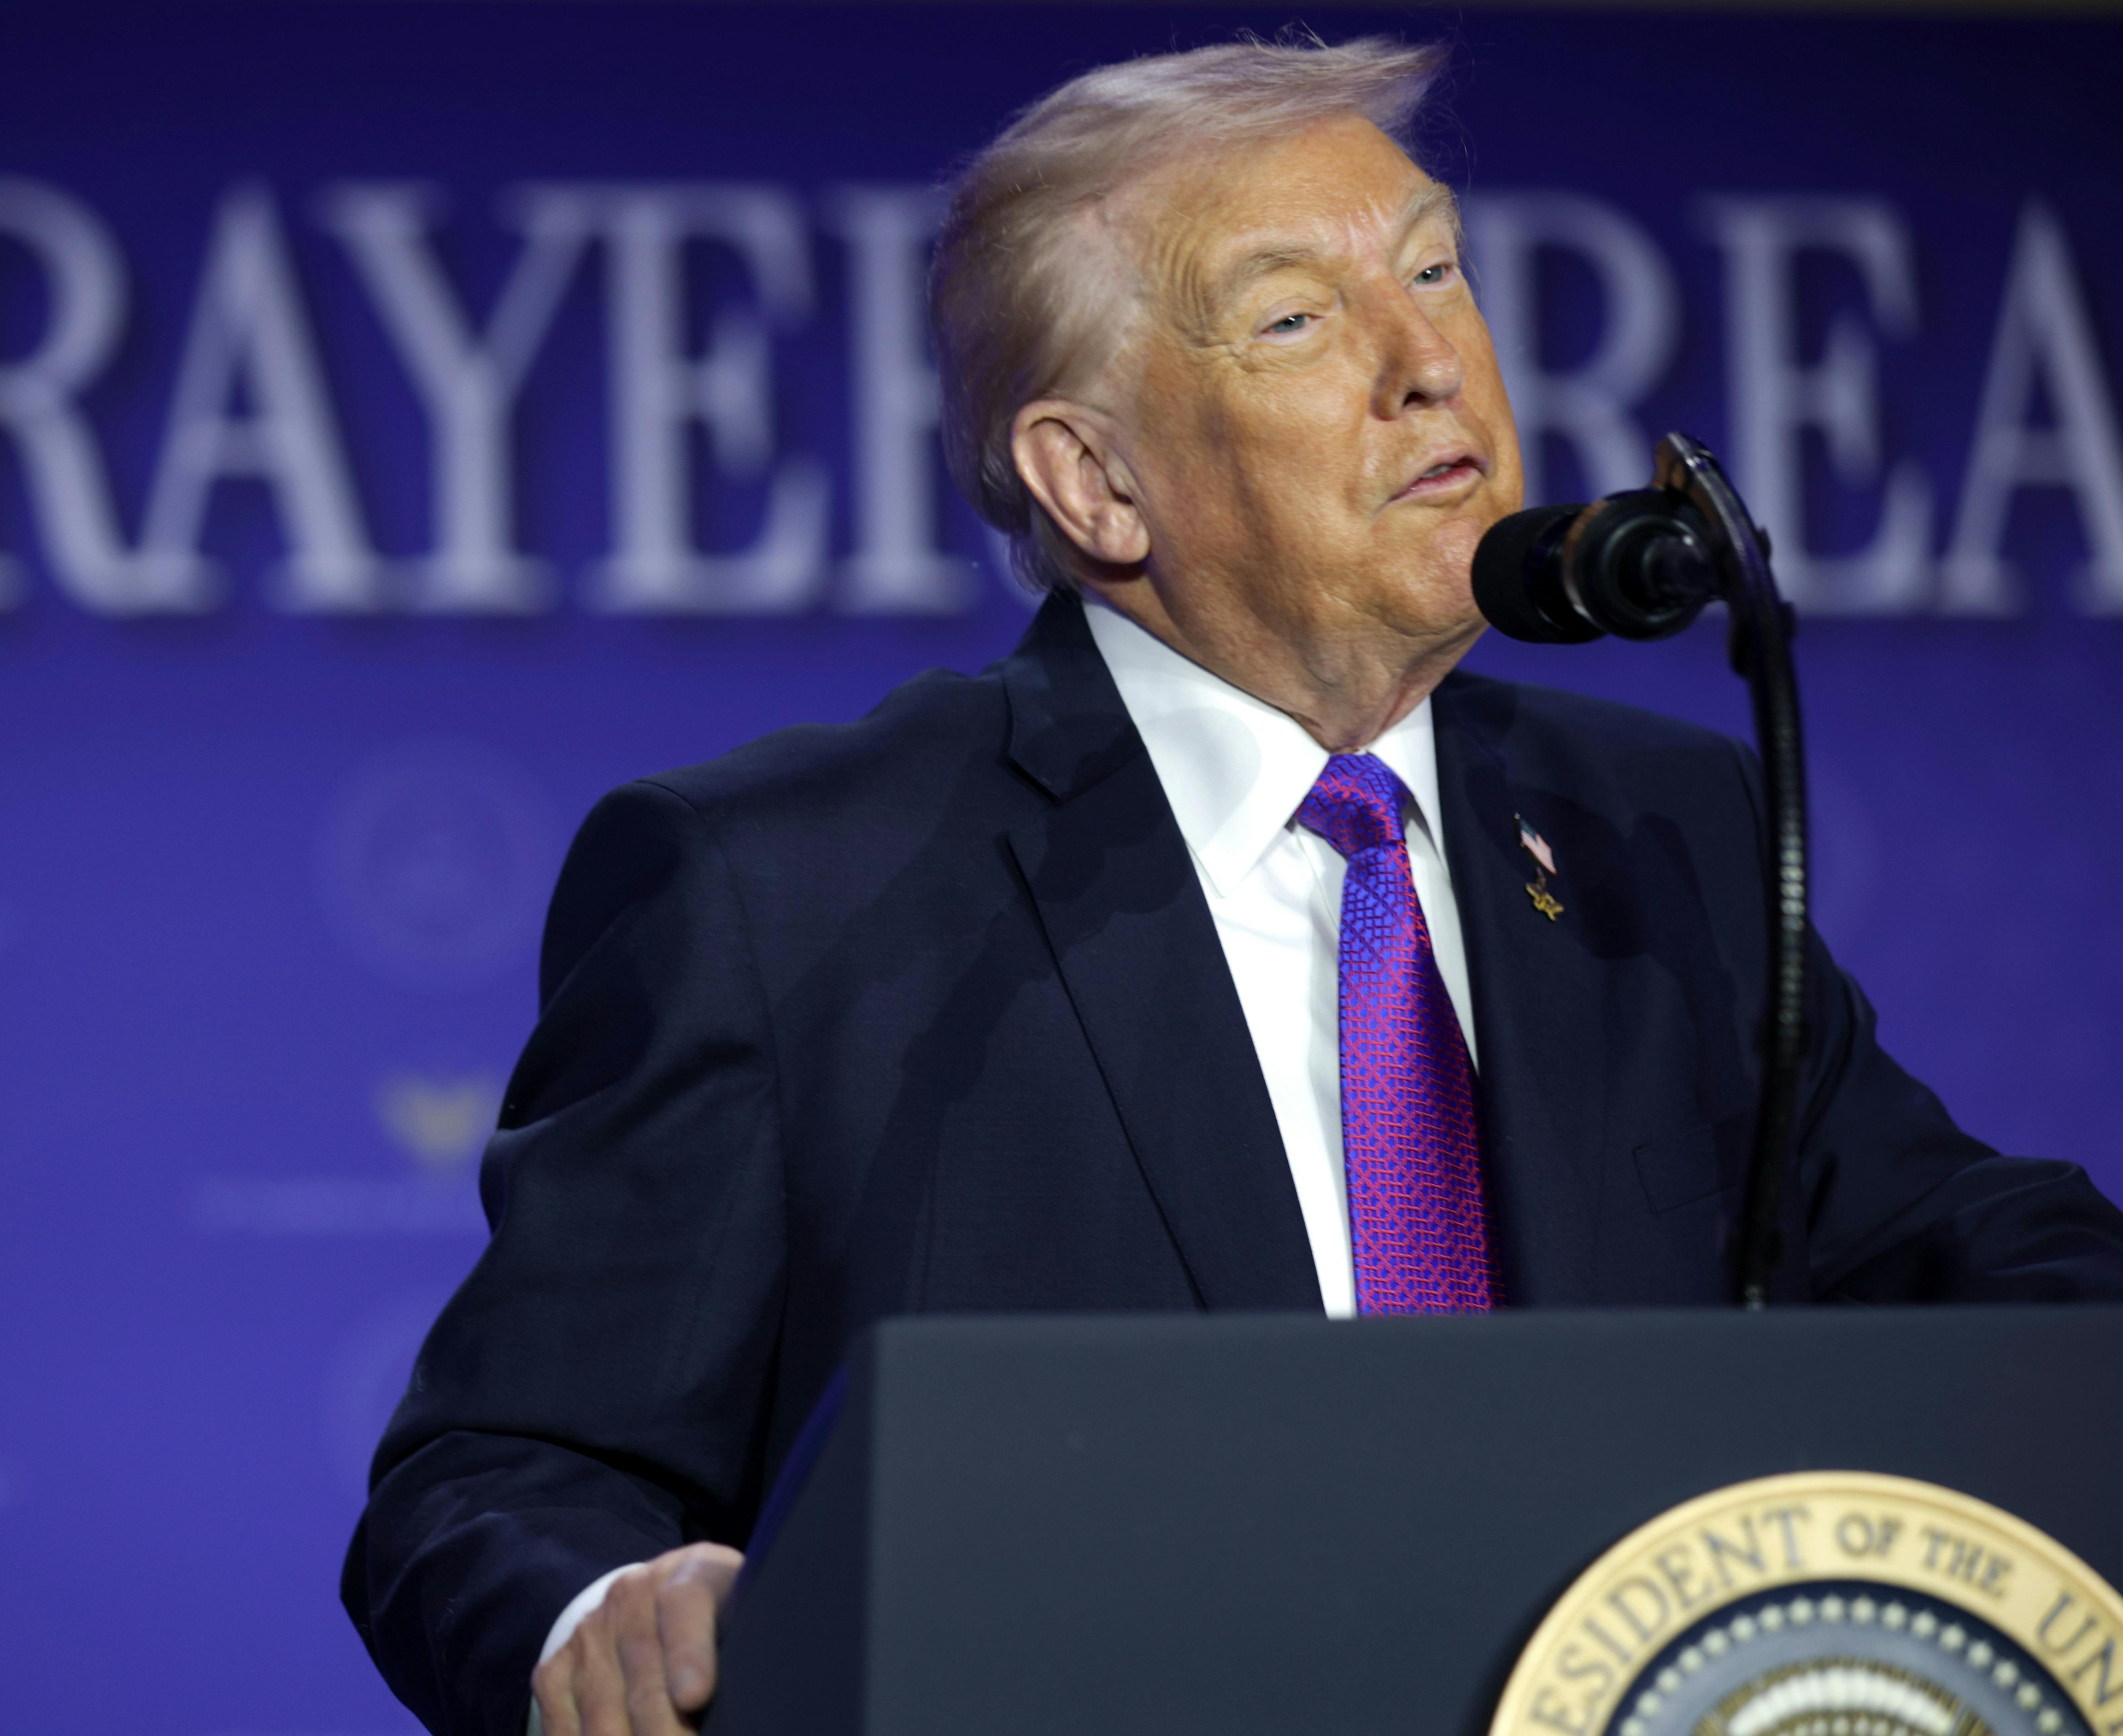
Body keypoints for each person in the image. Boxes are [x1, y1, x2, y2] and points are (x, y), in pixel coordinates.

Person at [341, 35, 2123, 1736]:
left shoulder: (1668, 829)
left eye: (1437, 272)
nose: (1430, 364)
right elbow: (497, 1479)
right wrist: (612, 1620)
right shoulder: (785, 887)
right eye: (1295, 318)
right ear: (1097, 480)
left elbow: (1959, 1252)